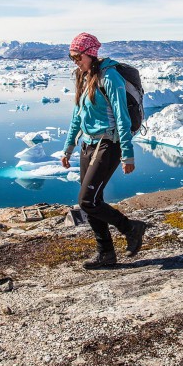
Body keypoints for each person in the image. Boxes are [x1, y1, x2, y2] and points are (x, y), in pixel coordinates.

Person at [61, 32, 146, 269]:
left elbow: (122, 118)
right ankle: (106, 254)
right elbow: (77, 116)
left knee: (86, 201)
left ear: (90, 53)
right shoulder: (83, 76)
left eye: (77, 56)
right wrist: (68, 147)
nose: (75, 61)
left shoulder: (110, 78)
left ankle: (131, 228)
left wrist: (127, 154)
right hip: (88, 144)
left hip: (109, 143)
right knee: (92, 201)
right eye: (71, 57)